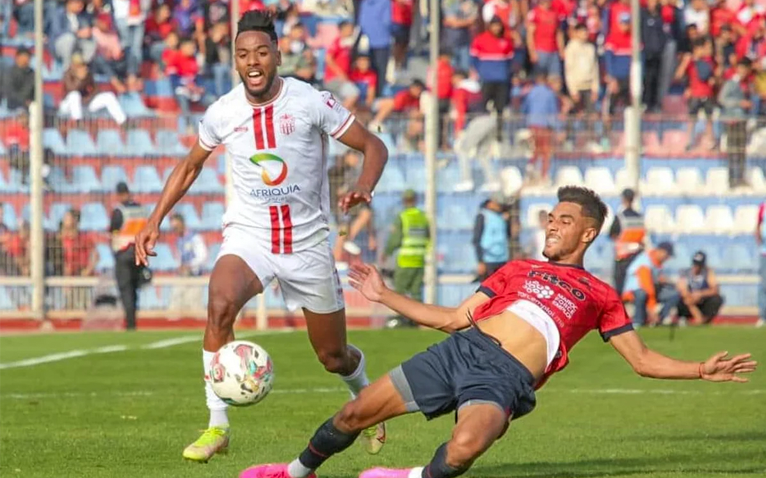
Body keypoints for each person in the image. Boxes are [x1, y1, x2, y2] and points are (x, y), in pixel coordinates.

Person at [239, 186, 757, 478]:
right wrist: (385, 295)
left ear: (588, 232)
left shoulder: (601, 294)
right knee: (354, 414)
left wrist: (699, 369)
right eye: (550, 217)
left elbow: (642, 361)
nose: (551, 224)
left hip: (505, 379)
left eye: (564, 220)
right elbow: (452, 318)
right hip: (460, 350)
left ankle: (407, 477)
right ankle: (293, 472)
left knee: (463, 450)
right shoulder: (517, 269)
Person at [133, 10, 389, 463]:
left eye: (261, 53)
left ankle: (366, 395)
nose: (252, 62)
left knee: (332, 356)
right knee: (219, 304)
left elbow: (374, 145)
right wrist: (154, 219)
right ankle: (217, 425)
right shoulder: (223, 111)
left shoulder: (310, 101)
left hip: (307, 243)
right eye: (243, 54)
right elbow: (190, 166)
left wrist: (364, 185)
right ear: (235, 60)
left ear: (277, 56)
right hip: (250, 235)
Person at [382, 189, 429, 328]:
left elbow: (396, 238)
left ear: (404, 201)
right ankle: (418, 320)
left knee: (400, 291)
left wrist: (387, 251)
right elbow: (428, 237)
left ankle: (401, 319)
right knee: (416, 291)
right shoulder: (422, 216)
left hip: (406, 260)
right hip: (419, 259)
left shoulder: (403, 217)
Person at [110, 182, 148, 331]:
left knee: (125, 289)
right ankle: (133, 319)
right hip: (140, 253)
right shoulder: (141, 210)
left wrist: (115, 252)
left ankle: (130, 323)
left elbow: (114, 232)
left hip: (124, 252)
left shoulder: (119, 211)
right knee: (134, 288)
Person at [622, 242, 679, 327]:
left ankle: (661, 318)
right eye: (667, 255)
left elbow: (655, 281)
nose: (667, 258)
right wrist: (652, 309)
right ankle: (638, 321)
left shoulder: (656, 263)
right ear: (661, 251)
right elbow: (647, 287)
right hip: (633, 292)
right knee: (641, 294)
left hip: (649, 291)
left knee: (674, 294)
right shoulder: (645, 261)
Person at [608, 188, 645, 295]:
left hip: (623, 257)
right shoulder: (640, 218)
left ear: (623, 199)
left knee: (620, 287)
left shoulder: (620, 217)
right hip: (637, 255)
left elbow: (612, 234)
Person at [676, 251, 724, 325]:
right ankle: (693, 319)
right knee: (679, 299)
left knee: (716, 299)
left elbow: (715, 289)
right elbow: (682, 289)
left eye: (699, 265)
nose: (697, 267)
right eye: (695, 264)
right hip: (689, 301)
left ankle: (705, 319)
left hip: (703, 300)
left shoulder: (708, 273)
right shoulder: (685, 273)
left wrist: (700, 294)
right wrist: (691, 297)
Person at [472, 193, 510, 281]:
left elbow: (508, 235)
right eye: (499, 205)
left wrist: (508, 222)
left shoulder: (502, 217)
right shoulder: (483, 216)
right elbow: (476, 240)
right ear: (491, 203)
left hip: (502, 259)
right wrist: (480, 261)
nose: (500, 207)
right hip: (488, 260)